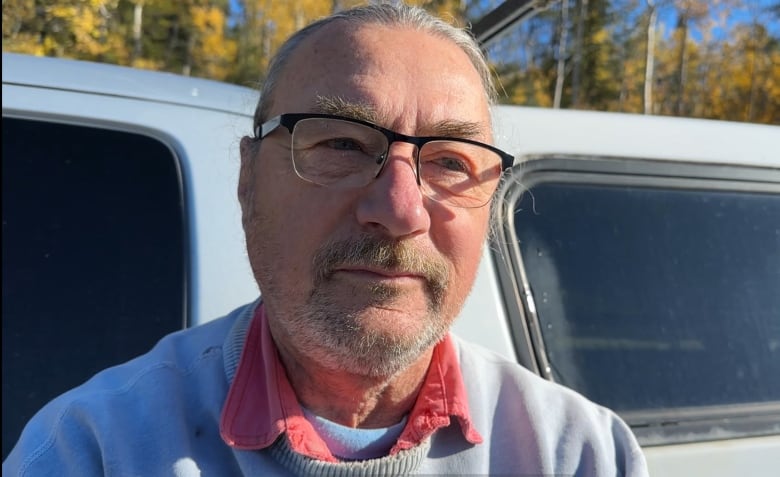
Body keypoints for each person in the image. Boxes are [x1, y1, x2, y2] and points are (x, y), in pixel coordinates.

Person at [4, 3, 648, 476]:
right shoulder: (93, 451)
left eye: (451, 161)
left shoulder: (580, 454)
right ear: (248, 177)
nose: (399, 210)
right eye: (341, 142)